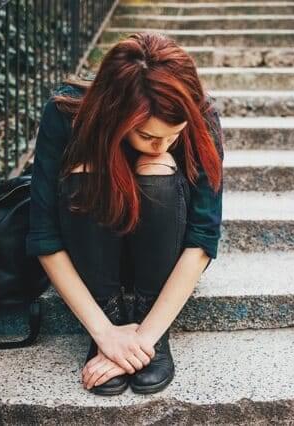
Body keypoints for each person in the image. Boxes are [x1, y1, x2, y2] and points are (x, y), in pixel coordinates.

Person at [26, 32, 224, 396]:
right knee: (86, 169)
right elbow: (44, 235)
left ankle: (147, 313)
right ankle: (112, 310)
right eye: (149, 135)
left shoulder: (200, 115)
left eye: (173, 134)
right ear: (117, 115)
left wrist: (144, 339)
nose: (163, 144)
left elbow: (202, 238)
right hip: (92, 253)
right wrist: (106, 334)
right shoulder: (66, 113)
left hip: (164, 257)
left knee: (156, 167)